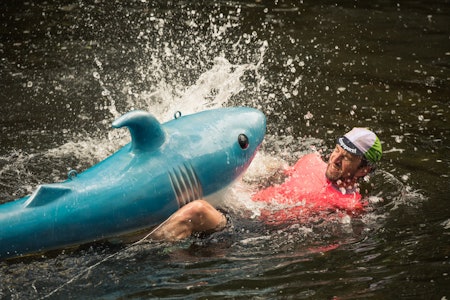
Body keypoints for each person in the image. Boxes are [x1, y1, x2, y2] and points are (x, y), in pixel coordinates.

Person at [150, 127, 382, 240]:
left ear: (364, 170)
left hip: (249, 230)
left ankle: (131, 252)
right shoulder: (311, 161)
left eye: (347, 158)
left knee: (196, 210)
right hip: (240, 204)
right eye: (335, 151)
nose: (335, 159)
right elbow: (270, 169)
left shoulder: (349, 205)